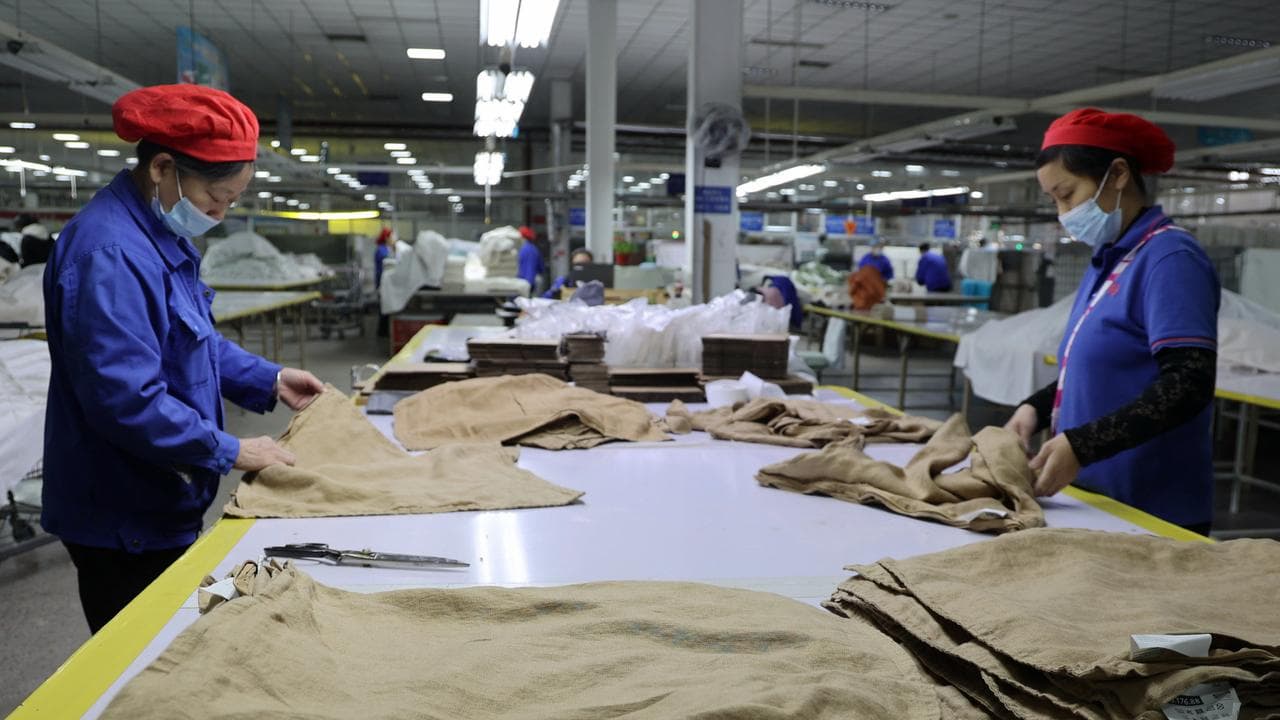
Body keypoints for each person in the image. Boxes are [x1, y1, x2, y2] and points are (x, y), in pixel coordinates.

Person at [42, 84, 325, 633]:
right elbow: (127, 400)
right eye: (216, 198)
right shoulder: (112, 254)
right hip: (122, 515)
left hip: (163, 496)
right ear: (164, 167)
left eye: (233, 202)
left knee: (192, 624)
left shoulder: (157, 236)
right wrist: (230, 448)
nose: (220, 213)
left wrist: (268, 379)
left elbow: (194, 341)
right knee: (148, 657)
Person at [1003, 107, 1219, 535]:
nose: (1063, 212)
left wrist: (1083, 445)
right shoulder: (1111, 260)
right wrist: (1036, 407)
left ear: (1118, 174)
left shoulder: (1170, 259)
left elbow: (1187, 383)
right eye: (1054, 201)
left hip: (1150, 508)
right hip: (1096, 499)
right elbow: (1100, 367)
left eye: (1067, 194)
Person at [516, 225, 545, 294]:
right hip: (533, 282)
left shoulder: (520, 249)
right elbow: (541, 268)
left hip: (522, 282)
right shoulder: (534, 249)